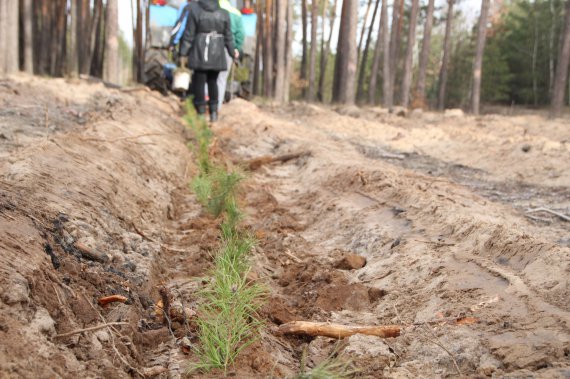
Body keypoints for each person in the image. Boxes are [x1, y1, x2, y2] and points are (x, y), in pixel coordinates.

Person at [179, 0, 238, 122]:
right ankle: (213, 112)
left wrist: (183, 53)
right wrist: (233, 53)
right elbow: (228, 37)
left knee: (199, 82)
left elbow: (189, 34)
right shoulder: (224, 13)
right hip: (217, 53)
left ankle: (200, 112)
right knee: (213, 81)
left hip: (200, 50)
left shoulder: (195, 11)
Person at [216, 0, 244, 109]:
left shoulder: (212, 8)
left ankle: (206, 104)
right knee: (222, 79)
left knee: (209, 76)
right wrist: (236, 48)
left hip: (210, 46)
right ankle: (217, 108)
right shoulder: (235, 13)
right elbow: (241, 33)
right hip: (228, 49)